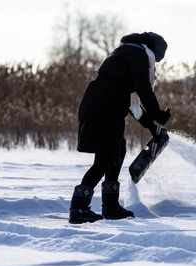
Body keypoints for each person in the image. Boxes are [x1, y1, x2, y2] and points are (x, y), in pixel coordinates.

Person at [69, 32, 171, 224]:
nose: (155, 65)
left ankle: (110, 207)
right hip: (104, 105)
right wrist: (158, 115)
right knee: (106, 157)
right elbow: (143, 89)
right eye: (156, 60)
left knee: (117, 150)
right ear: (153, 51)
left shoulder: (126, 53)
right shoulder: (137, 55)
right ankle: (79, 208)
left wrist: (151, 126)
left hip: (103, 102)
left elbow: (131, 104)